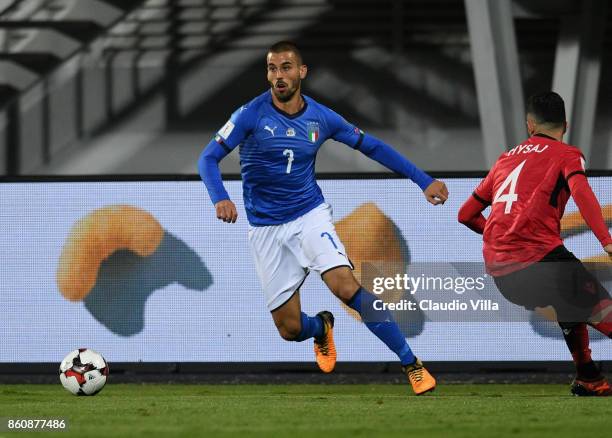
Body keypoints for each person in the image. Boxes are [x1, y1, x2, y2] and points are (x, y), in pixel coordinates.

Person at [198, 41, 448, 395]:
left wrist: (423, 180)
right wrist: (219, 197)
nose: (278, 75)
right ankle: (321, 328)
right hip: (266, 230)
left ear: (302, 72)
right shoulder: (250, 114)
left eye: (286, 67)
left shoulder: (322, 117)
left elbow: (373, 146)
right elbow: (207, 158)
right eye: (272, 68)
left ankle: (412, 364)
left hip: (308, 216)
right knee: (289, 330)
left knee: (346, 287)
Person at [458, 91, 612, 396]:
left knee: (571, 300)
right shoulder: (567, 154)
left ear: (530, 125)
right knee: (599, 307)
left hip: (502, 275)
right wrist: (606, 241)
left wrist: (499, 234)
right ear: (565, 125)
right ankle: (588, 376)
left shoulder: (504, 160)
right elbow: (582, 193)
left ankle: (589, 378)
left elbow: (465, 214)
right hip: (540, 258)